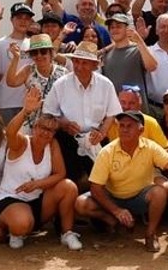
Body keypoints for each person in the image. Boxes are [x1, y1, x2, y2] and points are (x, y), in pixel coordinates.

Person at [0, 87, 83, 250]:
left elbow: (60, 173)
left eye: (51, 131)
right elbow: (10, 133)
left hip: (38, 201)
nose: (46, 133)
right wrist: (26, 111)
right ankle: (15, 230)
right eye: (43, 128)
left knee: (69, 187)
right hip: (12, 198)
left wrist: (37, 184)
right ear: (34, 128)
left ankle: (67, 233)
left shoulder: (52, 144)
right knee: (21, 224)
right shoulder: (22, 143)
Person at [75, 110, 168, 253]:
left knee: (160, 193)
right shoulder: (107, 152)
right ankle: (112, 220)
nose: (124, 129)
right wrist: (116, 211)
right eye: (121, 126)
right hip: (113, 197)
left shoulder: (150, 147)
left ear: (140, 130)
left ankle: (150, 234)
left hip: (140, 197)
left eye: (129, 126)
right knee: (80, 203)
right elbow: (96, 188)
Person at [43, 41, 122, 186]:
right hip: (68, 139)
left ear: (95, 65)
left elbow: (112, 113)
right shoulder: (61, 84)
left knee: (102, 183)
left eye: (84, 63)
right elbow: (48, 114)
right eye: (76, 62)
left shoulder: (105, 85)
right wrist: (64, 124)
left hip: (96, 139)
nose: (79, 67)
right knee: (73, 182)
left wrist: (102, 132)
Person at [6, 33, 68, 127]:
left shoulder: (63, 72)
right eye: (34, 53)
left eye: (43, 52)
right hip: (33, 124)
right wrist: (16, 58)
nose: (39, 56)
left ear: (51, 53)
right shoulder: (28, 70)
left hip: (56, 125)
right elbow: (11, 82)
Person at [0, 1, 37, 123]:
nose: (23, 21)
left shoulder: (34, 44)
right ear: (11, 19)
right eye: (19, 17)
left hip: (28, 103)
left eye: (27, 18)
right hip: (5, 103)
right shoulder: (0, 44)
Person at [101, 12, 158, 94]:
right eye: (112, 27)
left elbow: (152, 67)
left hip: (136, 101)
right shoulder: (106, 55)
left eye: (118, 26)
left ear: (128, 29)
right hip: (113, 101)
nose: (114, 30)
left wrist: (139, 40)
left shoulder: (138, 50)